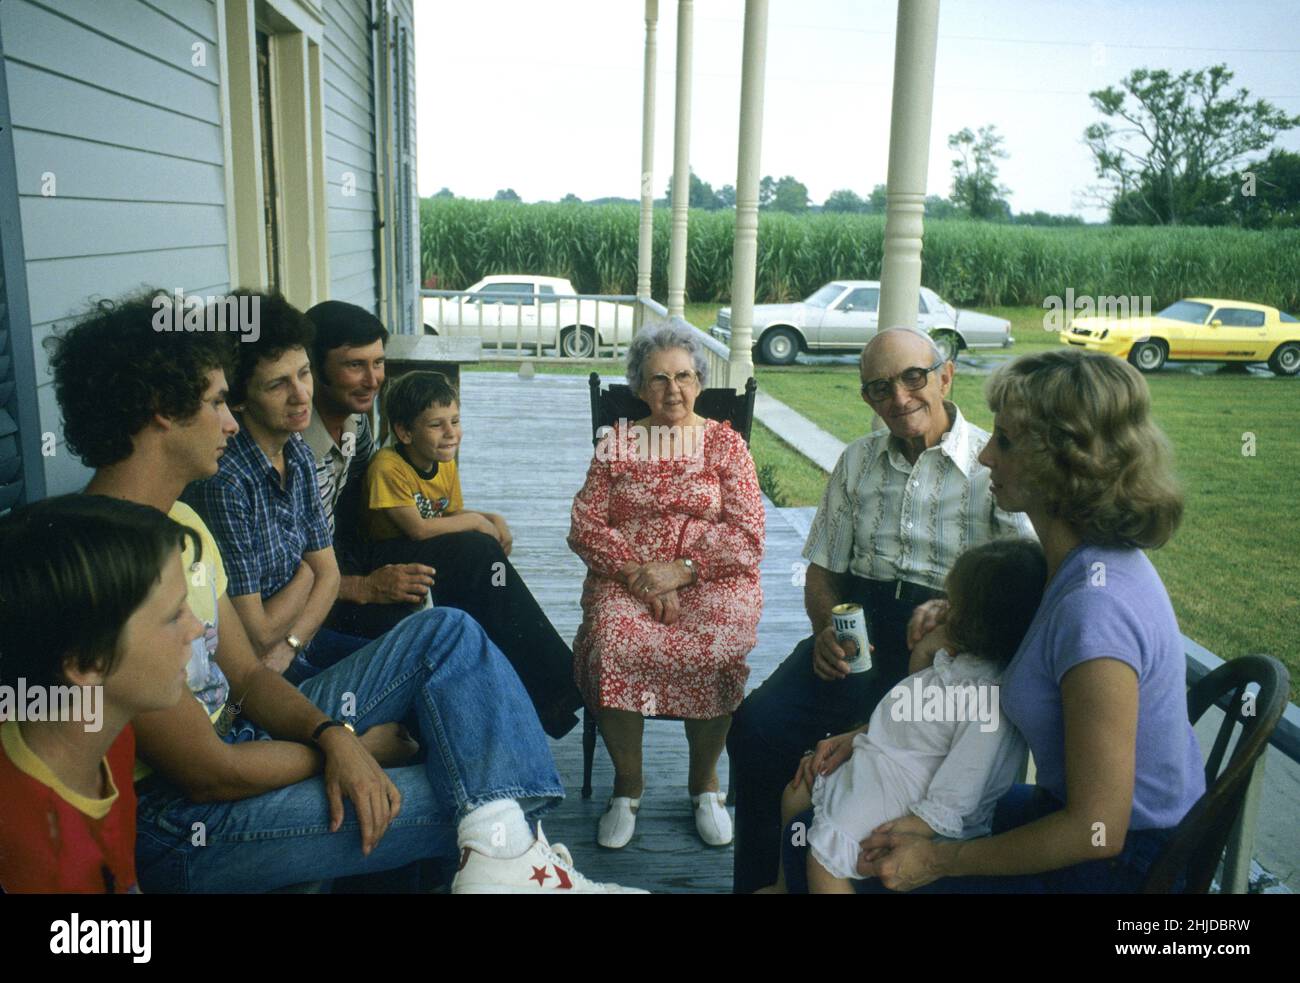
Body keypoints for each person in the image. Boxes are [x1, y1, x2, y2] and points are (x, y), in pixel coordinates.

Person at [47, 291, 642, 894]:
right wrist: (351, 745)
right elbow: (209, 772)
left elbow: (249, 678)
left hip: (255, 734)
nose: (231, 421)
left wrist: (333, 734)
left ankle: (508, 874)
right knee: (482, 793)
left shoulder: (183, 526)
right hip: (188, 820)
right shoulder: (99, 564)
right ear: (161, 411)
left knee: (450, 634)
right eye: (218, 402)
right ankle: (517, 874)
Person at [847, 348, 1204, 893]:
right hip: (1070, 820)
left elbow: (1095, 830)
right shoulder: (1074, 565)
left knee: (853, 859)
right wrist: (963, 612)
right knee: (844, 830)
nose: (986, 455)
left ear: (1066, 463)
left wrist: (940, 860)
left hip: (1122, 867)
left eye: (1007, 442)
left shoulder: (1096, 610)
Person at [727, 326, 1033, 893]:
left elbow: (1026, 575)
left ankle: (836, 867)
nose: (899, 397)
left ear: (945, 376)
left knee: (895, 746)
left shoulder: (995, 466)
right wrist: (825, 632)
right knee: (757, 727)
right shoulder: (858, 460)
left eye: (913, 378)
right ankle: (764, 882)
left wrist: (956, 618)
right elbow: (822, 570)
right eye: (878, 388)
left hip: (948, 644)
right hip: (857, 634)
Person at [305, 300, 583, 738]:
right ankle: (557, 693)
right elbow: (285, 567)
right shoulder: (297, 450)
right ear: (313, 367)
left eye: (378, 363)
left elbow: (367, 508)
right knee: (473, 555)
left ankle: (540, 700)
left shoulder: (355, 427)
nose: (373, 378)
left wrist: (480, 517)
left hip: (355, 555)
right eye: (354, 365)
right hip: (324, 600)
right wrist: (364, 585)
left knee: (477, 559)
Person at [568, 323, 765, 848]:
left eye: (683, 376)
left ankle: (704, 784)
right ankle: (628, 785)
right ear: (638, 389)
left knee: (718, 643)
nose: (672, 390)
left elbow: (748, 534)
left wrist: (681, 571)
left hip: (712, 576)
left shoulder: (727, 445)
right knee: (613, 640)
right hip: (628, 577)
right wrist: (641, 576)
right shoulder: (617, 445)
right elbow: (585, 525)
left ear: (699, 381)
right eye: (658, 380)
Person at [765, 538, 1044, 894]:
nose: (945, 610)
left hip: (911, 797)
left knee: (823, 858)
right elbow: (918, 681)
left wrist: (915, 827)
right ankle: (784, 887)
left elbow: (964, 783)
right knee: (796, 793)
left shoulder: (989, 698)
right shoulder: (960, 658)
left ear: (974, 619)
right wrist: (935, 638)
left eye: (953, 605)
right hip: (885, 762)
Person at [359, 370, 581, 736]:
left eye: (455, 421)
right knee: (480, 549)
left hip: (424, 548)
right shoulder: (388, 467)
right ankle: (561, 686)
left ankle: (543, 694)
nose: (450, 433)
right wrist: (478, 524)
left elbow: (447, 515)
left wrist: (490, 517)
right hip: (386, 557)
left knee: (487, 564)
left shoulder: (442, 461)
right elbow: (418, 528)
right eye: (436, 424)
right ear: (404, 432)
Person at [0, 496, 204, 893]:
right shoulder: (37, 856)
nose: (196, 628)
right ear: (87, 664)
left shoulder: (108, 731)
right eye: (174, 615)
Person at [182, 293, 367, 683]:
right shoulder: (226, 480)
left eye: (304, 373)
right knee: (441, 641)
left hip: (298, 648)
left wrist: (293, 642)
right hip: (257, 682)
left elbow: (330, 576)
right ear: (240, 400)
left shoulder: (295, 451)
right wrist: (306, 575)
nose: (301, 395)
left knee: (442, 635)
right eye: (278, 384)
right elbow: (256, 631)